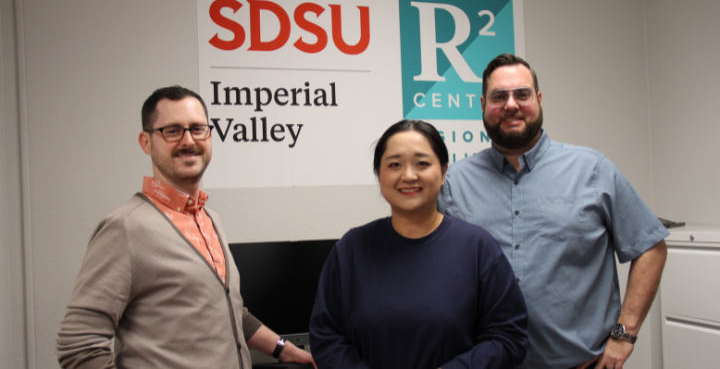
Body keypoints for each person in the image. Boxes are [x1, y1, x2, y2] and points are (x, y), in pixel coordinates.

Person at [56, 86, 315, 369]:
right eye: (172, 131)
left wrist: (289, 351)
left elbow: (229, 311)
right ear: (146, 142)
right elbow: (79, 344)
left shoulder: (209, 218)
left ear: (210, 136)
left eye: (197, 129)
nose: (188, 140)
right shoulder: (126, 227)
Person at [438, 54, 669, 369]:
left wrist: (622, 335)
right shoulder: (453, 183)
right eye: (498, 97)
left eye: (522, 94)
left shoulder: (593, 170)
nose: (511, 105)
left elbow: (650, 247)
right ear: (482, 104)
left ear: (539, 99)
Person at [309, 120, 529, 369]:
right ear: (379, 174)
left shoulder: (478, 248)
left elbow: (508, 337)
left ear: (444, 171)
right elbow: (326, 337)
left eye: (422, 163)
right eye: (394, 165)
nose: (409, 175)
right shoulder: (351, 249)